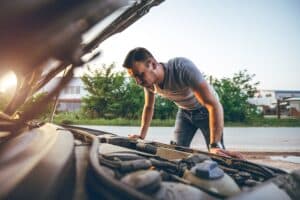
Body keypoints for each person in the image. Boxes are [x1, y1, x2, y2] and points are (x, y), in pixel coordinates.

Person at [123, 47, 243, 158]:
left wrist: (215, 145)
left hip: (206, 110)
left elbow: (214, 105)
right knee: (176, 153)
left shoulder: (181, 67)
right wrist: (141, 136)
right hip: (184, 112)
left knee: (217, 154)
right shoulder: (148, 82)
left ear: (152, 64)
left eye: (140, 75)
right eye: (135, 77)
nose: (138, 82)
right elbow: (149, 106)